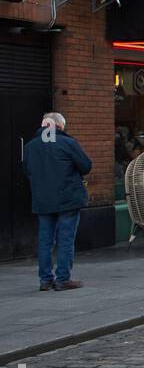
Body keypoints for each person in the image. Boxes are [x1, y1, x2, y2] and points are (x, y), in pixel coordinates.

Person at [23, 112, 93, 292]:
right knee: (65, 239)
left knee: (45, 240)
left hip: (43, 201)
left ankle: (45, 280)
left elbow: (28, 171)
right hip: (67, 200)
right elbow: (86, 166)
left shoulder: (30, 147)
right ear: (60, 126)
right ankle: (63, 279)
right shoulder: (67, 142)